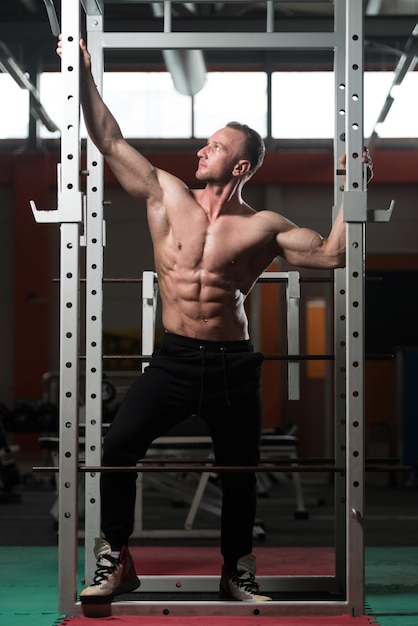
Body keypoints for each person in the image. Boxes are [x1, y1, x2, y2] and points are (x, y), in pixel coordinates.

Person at [57, 36, 372, 606]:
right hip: (174, 358)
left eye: (216, 146)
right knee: (120, 444)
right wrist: (80, 71)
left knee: (239, 471)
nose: (203, 150)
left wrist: (354, 187)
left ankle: (237, 570)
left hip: (232, 364)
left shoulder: (262, 225)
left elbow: (332, 254)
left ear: (241, 165)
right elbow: (108, 139)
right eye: (206, 142)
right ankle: (116, 557)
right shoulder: (164, 194)